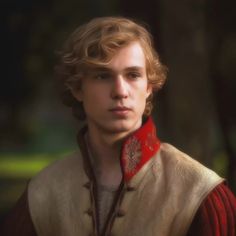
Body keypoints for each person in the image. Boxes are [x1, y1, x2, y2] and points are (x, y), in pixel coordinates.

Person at [1, 16, 236, 236]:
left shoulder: (200, 193)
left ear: (149, 87)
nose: (120, 91)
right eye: (103, 76)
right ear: (77, 88)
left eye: (133, 75)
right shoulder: (44, 192)